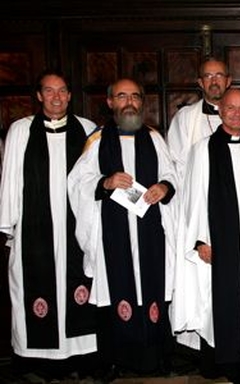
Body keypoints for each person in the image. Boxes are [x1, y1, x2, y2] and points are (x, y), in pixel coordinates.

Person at [67, 78, 178, 378]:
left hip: (149, 233)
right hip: (112, 236)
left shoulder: (154, 138)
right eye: (122, 96)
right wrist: (105, 182)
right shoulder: (97, 140)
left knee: (152, 292)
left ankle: (156, 358)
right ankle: (114, 361)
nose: (129, 102)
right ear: (110, 102)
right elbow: (77, 182)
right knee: (114, 293)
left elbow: (172, 173)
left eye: (134, 96)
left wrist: (164, 187)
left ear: (142, 102)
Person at [173, 89, 240, 383]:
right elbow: (193, 198)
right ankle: (228, 362)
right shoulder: (203, 149)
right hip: (219, 241)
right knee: (222, 300)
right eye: (230, 108)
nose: (236, 113)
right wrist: (199, 241)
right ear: (220, 111)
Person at [0, 69, 97, 380]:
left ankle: (80, 357)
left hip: (77, 228)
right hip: (35, 230)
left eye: (62, 91)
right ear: (39, 96)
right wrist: (9, 223)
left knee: (80, 288)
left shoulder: (88, 129)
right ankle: (38, 359)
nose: (56, 97)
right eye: (49, 91)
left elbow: (96, 179)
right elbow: (11, 178)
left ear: (70, 95)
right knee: (33, 288)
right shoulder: (21, 130)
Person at [167, 56, 240, 180]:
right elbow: (175, 162)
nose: (214, 82)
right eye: (208, 76)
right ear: (200, 83)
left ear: (228, 81)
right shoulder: (185, 117)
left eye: (219, 75)